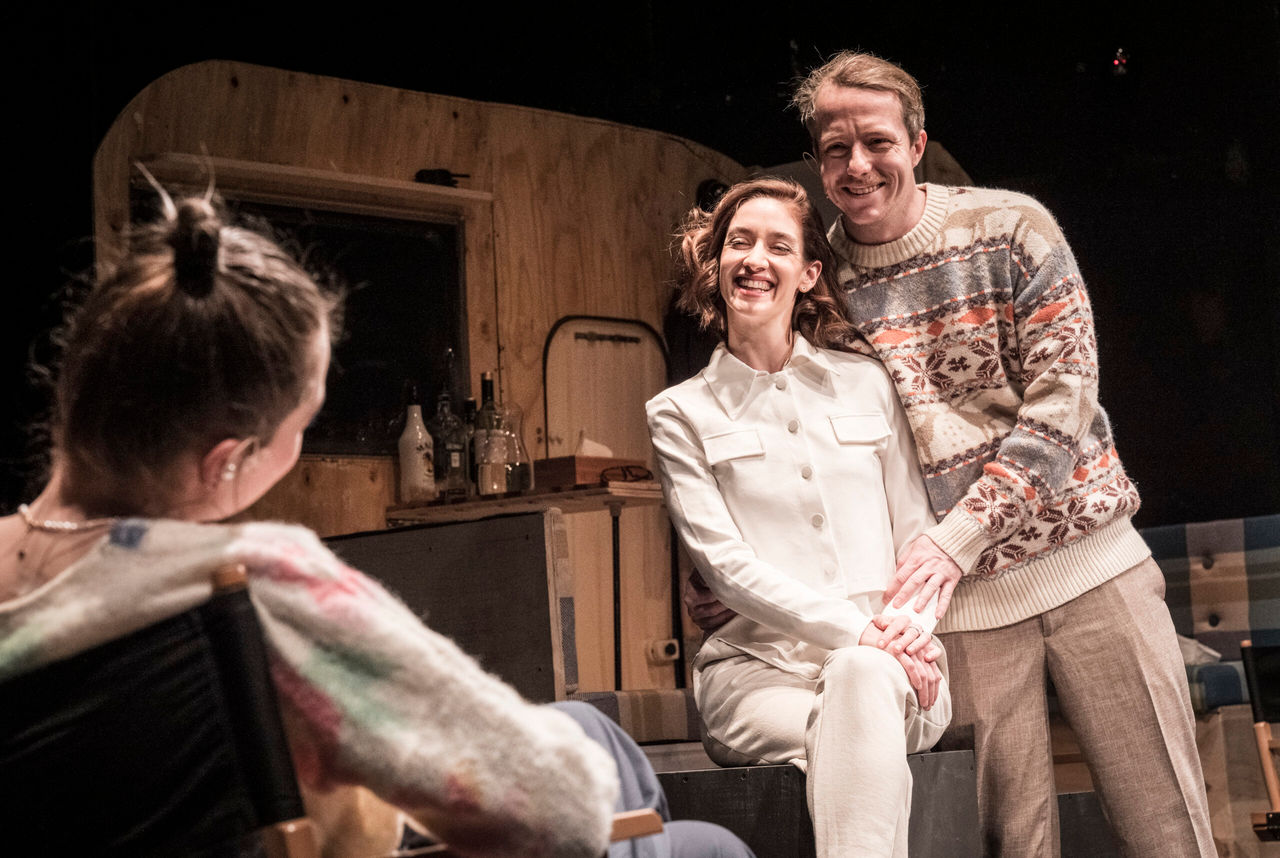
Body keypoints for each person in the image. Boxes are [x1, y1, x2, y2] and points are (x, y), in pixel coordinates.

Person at [0, 188, 753, 858]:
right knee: (695, 835)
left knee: (586, 730)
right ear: (225, 461)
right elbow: (558, 812)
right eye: (300, 426)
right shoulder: (255, 585)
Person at [688, 51, 1215, 856]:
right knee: (1008, 842)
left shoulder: (1013, 228)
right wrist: (740, 567)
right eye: (835, 148)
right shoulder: (821, 286)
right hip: (956, 612)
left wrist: (957, 539)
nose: (857, 166)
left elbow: (1065, 400)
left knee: (1167, 829)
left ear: (917, 142)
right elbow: (789, 428)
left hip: (1088, 570)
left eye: (877, 142)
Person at [646, 176, 952, 858]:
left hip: (899, 666)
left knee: (860, 681)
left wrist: (905, 635)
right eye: (739, 243)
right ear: (716, 263)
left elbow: (919, 537)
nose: (755, 260)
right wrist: (862, 635)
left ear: (809, 273)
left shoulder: (866, 383)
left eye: (778, 246)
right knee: (859, 702)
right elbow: (725, 568)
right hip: (757, 681)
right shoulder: (679, 414)